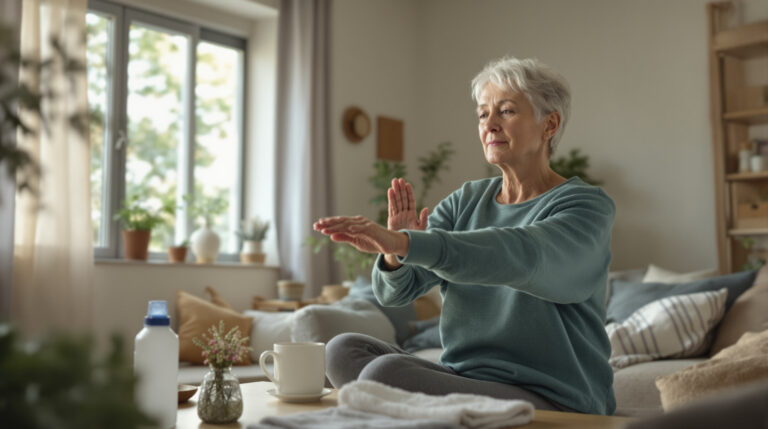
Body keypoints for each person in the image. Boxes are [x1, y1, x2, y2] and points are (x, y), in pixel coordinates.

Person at [313, 56, 616, 415]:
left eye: (505, 111)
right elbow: (396, 292)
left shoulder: (585, 207)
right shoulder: (467, 200)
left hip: (555, 394)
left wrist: (410, 244)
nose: (490, 124)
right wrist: (394, 253)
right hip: (466, 377)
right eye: (482, 114)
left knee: (384, 373)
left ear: (549, 124)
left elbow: (521, 255)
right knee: (341, 350)